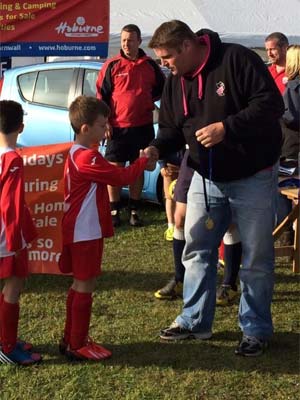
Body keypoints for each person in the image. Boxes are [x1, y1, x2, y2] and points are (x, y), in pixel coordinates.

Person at [145, 20, 284, 356]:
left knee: (256, 258)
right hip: (204, 177)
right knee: (197, 251)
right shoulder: (174, 81)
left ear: (188, 46)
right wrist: (155, 148)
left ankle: (255, 329)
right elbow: (171, 129)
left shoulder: (237, 60)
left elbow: (271, 105)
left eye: (167, 58)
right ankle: (195, 321)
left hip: (253, 175)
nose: (164, 65)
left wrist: (227, 128)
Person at [58, 96, 152, 361]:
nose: (106, 130)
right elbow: (123, 177)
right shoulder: (87, 157)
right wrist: (143, 159)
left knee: (79, 284)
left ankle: (71, 338)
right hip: (83, 231)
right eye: (102, 125)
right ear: (85, 128)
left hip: (80, 229)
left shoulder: (77, 152)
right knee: (85, 284)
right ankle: (77, 344)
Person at [96, 24, 165, 227]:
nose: (126, 43)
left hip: (142, 126)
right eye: (124, 40)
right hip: (117, 127)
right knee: (115, 170)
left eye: (130, 40)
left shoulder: (150, 65)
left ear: (139, 42)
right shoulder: (111, 65)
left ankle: (134, 210)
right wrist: (106, 122)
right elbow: (101, 97)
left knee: (138, 169)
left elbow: (161, 90)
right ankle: (114, 209)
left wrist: (143, 102)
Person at [0, 100, 41, 365]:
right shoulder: (12, 159)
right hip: (6, 237)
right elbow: (10, 204)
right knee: (13, 286)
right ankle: (7, 345)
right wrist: (16, 241)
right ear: (21, 127)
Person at [155, 150, 193, 299]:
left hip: (220, 161)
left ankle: (229, 284)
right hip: (190, 163)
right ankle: (180, 279)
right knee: (180, 219)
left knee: (230, 224)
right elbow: (168, 131)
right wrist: (160, 158)